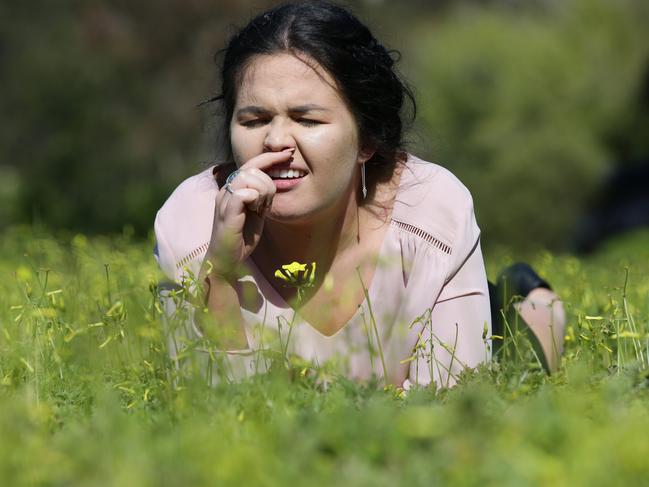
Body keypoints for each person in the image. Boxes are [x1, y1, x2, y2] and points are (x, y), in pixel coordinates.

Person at [154, 0, 565, 389]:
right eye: (255, 120)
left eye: (307, 119)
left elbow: (454, 402)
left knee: (529, 357)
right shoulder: (189, 224)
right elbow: (202, 406)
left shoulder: (433, 211)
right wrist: (221, 273)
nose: (276, 141)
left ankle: (527, 296)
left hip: (482, 337)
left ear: (367, 139)